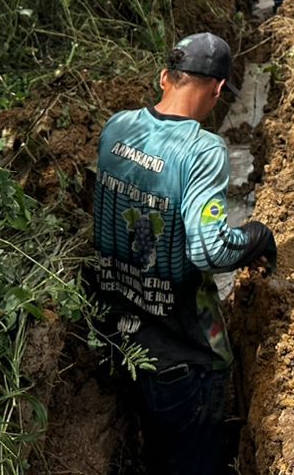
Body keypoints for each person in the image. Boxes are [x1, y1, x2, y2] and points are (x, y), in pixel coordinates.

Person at [91, 33, 277, 475]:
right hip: (183, 358)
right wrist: (256, 236)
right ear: (218, 90)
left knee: (156, 454)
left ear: (164, 77)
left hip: (121, 341)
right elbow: (210, 249)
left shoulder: (117, 127)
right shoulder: (202, 151)